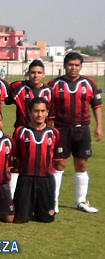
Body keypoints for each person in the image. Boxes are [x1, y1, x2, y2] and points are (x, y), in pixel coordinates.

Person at [49, 52, 103, 214]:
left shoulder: (89, 83)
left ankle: (81, 201)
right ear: (65, 66)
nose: (73, 68)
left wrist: (99, 127)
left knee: (82, 164)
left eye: (76, 65)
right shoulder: (54, 84)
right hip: (61, 129)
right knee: (59, 165)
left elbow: (96, 106)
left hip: (82, 129)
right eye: (70, 65)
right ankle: (53, 201)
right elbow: (48, 108)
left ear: (81, 66)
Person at [5, 59, 52, 196]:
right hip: (21, 133)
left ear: (44, 74)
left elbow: (51, 116)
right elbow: (5, 100)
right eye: (33, 72)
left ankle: (44, 196)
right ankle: (11, 198)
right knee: (16, 165)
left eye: (39, 72)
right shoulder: (17, 87)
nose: (36, 75)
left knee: (41, 165)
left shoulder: (49, 91)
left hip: (42, 134)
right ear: (28, 73)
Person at [12, 98, 63, 223]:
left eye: (42, 111)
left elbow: (56, 159)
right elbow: (15, 156)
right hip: (26, 178)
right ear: (29, 112)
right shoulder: (20, 131)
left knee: (46, 219)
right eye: (36, 111)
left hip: (46, 179)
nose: (39, 114)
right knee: (20, 219)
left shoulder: (54, 133)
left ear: (47, 112)